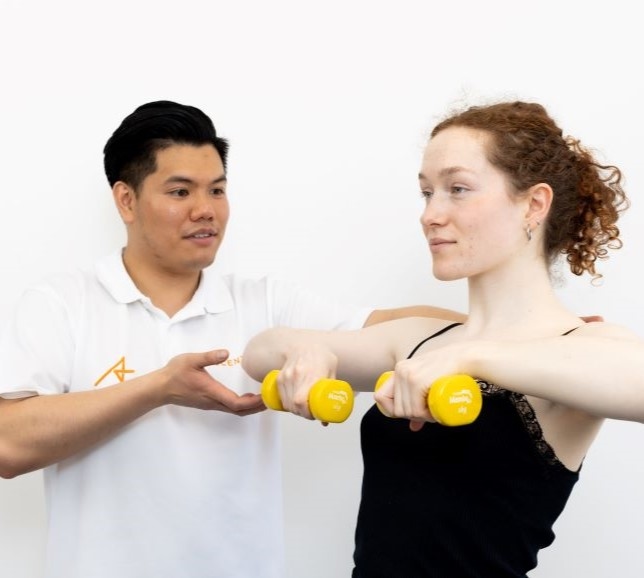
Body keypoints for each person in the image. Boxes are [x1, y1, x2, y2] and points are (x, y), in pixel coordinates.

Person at [0, 100, 464, 578]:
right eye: (180, 192)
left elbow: (395, 325)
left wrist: (514, 334)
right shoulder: (63, 303)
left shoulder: (263, 304)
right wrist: (159, 388)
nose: (206, 210)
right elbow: (7, 446)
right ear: (126, 200)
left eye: (217, 190)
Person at [241, 100, 644, 577]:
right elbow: (258, 352)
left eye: (457, 189)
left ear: (534, 204)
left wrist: (472, 357)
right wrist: (307, 350)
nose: (430, 214)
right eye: (427, 193)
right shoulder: (420, 340)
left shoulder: (581, 347)